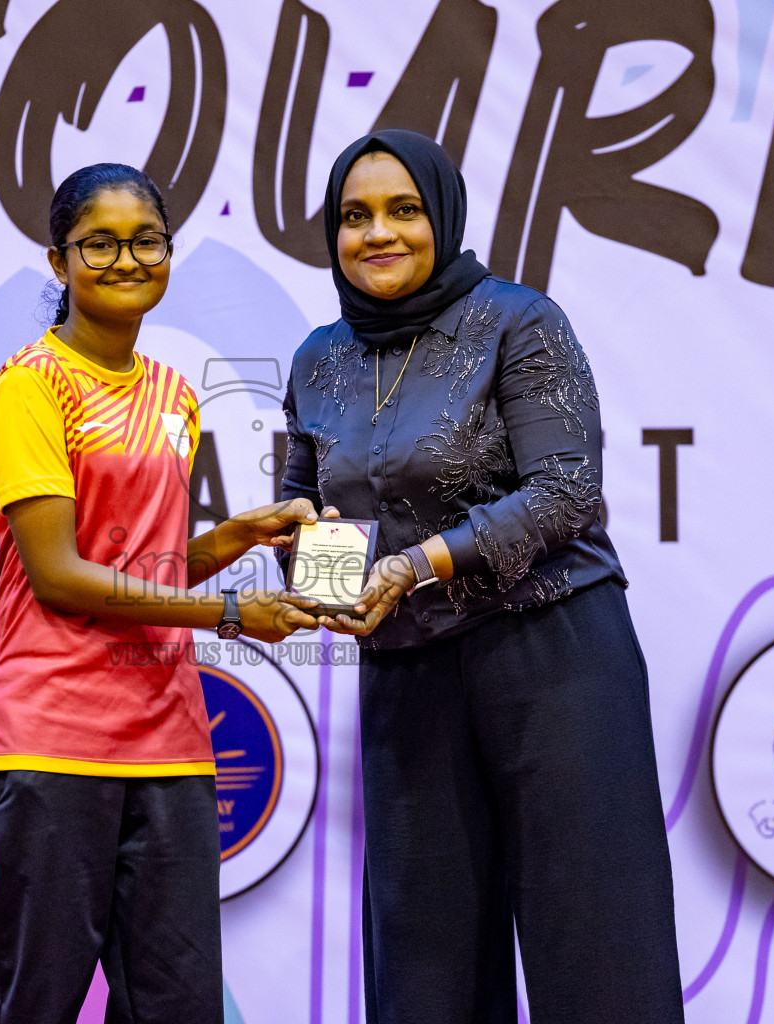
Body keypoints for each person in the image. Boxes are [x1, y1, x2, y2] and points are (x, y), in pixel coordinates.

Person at [279, 130, 685, 1024]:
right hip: (406, 670)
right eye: (354, 216)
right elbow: (310, 511)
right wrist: (323, 581)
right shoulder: (316, 359)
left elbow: (567, 492)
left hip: (555, 657)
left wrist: (417, 563)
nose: (377, 233)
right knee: (423, 961)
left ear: (444, 216)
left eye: (402, 210)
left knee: (596, 943)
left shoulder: (518, 320)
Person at [0, 162, 322, 1024]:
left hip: (169, 742)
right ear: (58, 263)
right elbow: (60, 576)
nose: (127, 259)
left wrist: (234, 540)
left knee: (178, 1006)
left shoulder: (173, 391)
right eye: (99, 243)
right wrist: (234, 612)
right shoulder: (31, 386)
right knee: (38, 1002)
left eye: (146, 241)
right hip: (52, 739)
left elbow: (143, 567)